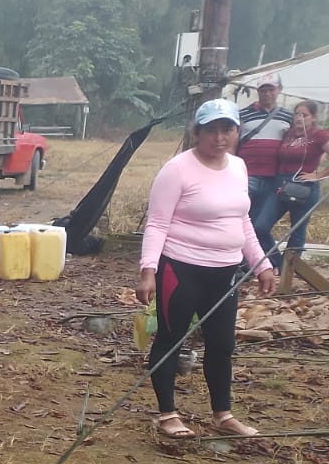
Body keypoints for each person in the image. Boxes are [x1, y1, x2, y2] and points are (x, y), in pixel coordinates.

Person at [137, 99, 277, 439]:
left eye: (227, 129)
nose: (219, 137)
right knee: (171, 338)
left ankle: (222, 414)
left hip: (224, 271)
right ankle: (167, 413)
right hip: (181, 268)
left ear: (237, 132)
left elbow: (242, 221)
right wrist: (148, 271)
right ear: (197, 132)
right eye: (211, 130)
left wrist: (262, 263)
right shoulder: (177, 170)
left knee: (222, 343)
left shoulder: (238, 167)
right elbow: (157, 223)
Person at [253, 99, 328, 269]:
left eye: (304, 115)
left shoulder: (319, 135)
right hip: (281, 184)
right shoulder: (289, 134)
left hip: (304, 186)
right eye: (297, 114)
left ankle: (288, 272)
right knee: (260, 226)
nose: (299, 118)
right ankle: (279, 264)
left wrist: (318, 175)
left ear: (313, 118)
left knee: (297, 231)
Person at [235, 74, 294, 232]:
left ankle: (252, 248)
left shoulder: (288, 117)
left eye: (271, 89)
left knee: (259, 222)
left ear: (279, 90)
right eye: (263, 90)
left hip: (273, 177)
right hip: (247, 175)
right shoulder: (243, 114)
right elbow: (233, 142)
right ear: (258, 91)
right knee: (240, 216)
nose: (267, 93)